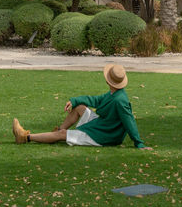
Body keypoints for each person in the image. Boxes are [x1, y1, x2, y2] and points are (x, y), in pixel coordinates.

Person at [12, 63, 152, 149]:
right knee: (79, 107)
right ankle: (56, 134)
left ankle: (25, 137)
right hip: (101, 126)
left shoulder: (120, 100)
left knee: (62, 135)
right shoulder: (113, 93)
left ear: (109, 80)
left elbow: (129, 121)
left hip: (104, 136)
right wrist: (74, 101)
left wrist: (138, 143)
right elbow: (95, 100)